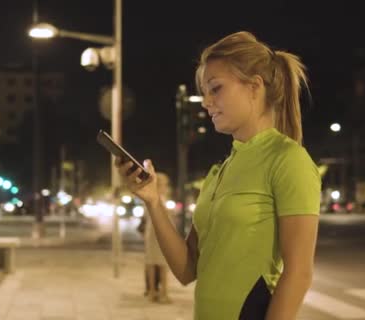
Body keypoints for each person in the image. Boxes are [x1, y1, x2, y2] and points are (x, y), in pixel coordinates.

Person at [115, 31, 320, 319]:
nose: (206, 101)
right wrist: (153, 201)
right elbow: (187, 270)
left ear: (254, 87)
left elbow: (299, 274)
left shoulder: (289, 160)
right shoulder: (218, 172)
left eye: (216, 88)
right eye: (205, 92)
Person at [143, 172, 173, 303]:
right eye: (164, 184)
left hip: (153, 231)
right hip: (159, 232)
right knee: (161, 263)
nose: (166, 186)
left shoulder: (151, 196)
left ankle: (153, 292)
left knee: (153, 262)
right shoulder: (157, 197)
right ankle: (162, 293)